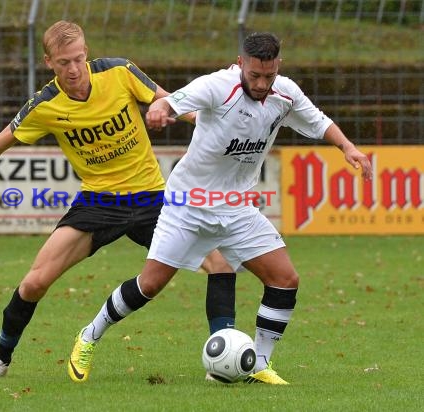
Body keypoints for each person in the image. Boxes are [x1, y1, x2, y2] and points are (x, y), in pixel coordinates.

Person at [0, 20, 236, 381]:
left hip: (153, 198)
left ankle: (221, 361)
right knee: (35, 282)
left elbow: (171, 100)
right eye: (64, 62)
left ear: (87, 54)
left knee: (219, 263)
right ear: (49, 62)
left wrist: (212, 124)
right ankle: (1, 359)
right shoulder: (45, 105)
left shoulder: (119, 72)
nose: (73, 69)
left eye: (78, 59)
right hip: (98, 204)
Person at [69, 31, 373, 385]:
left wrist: (348, 148)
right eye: (255, 75)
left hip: (236, 207)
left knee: (285, 279)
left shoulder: (285, 92)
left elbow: (320, 121)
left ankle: (257, 362)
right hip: (188, 205)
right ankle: (89, 335)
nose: (261, 83)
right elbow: (176, 101)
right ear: (241, 63)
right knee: (150, 284)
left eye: (269, 75)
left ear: (278, 67)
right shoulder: (218, 85)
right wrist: (159, 109)